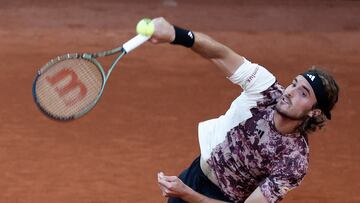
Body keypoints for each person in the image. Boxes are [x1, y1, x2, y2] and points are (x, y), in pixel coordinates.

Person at [149, 17, 339, 203]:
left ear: (315, 112)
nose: (290, 92)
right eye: (294, 84)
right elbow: (220, 55)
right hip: (195, 174)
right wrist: (175, 34)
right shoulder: (265, 89)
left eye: (303, 93)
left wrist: (186, 194)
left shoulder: (294, 160)